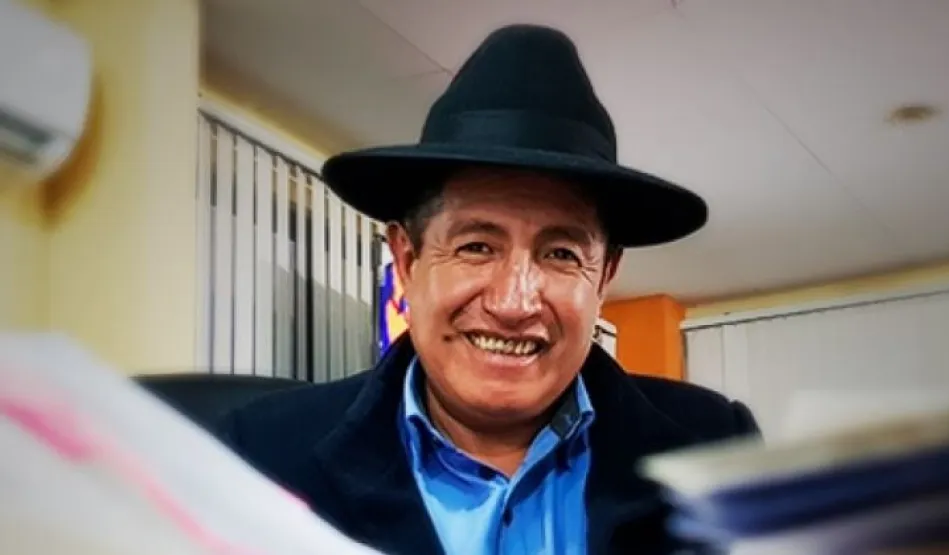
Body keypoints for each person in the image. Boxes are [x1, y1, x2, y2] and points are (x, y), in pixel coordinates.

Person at [219, 24, 760, 555]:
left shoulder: (716, 446)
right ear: (407, 260)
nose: (514, 303)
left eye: (561, 254)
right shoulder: (260, 456)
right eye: (477, 246)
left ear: (604, 276)